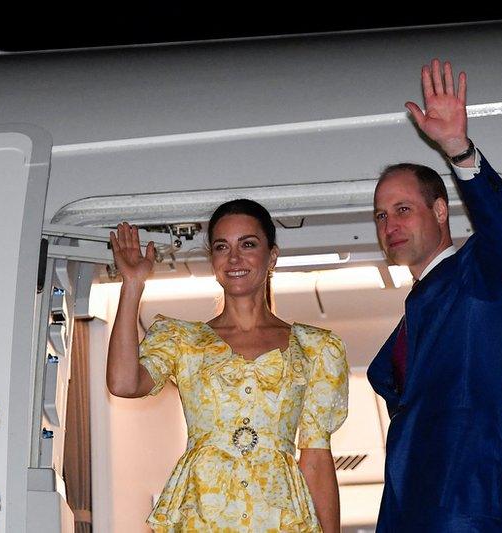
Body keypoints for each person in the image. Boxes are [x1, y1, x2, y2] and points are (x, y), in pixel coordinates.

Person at [106, 198, 349, 533]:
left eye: (247, 244)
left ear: (272, 256)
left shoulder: (316, 349)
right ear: (213, 260)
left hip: (279, 521)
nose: (234, 258)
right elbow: (123, 383)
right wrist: (132, 284)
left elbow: (317, 458)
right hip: (203, 516)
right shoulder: (183, 341)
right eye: (222, 247)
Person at [366, 59, 502, 531]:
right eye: (380, 216)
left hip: (464, 512)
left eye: (402, 209)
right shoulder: (415, 309)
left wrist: (458, 149)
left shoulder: (475, 278)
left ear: (440, 211)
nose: (389, 225)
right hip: (408, 512)